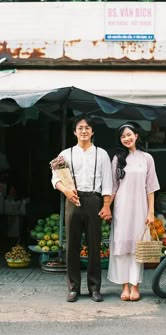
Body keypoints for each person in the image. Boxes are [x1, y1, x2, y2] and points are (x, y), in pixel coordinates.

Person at [51, 115, 112, 303]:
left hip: (94, 200)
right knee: (72, 246)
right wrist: (66, 191)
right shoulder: (65, 154)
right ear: (74, 132)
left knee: (94, 245)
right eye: (80, 128)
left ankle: (94, 288)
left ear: (92, 131)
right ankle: (73, 288)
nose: (84, 131)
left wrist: (107, 205)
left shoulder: (101, 154)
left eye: (87, 128)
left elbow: (108, 182)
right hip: (73, 200)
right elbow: (55, 178)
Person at [107, 122, 160, 301]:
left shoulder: (147, 158)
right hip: (121, 208)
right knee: (122, 246)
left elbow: (151, 188)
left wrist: (151, 212)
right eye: (123, 136)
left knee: (137, 247)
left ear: (136, 135)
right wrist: (106, 206)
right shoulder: (117, 159)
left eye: (129, 134)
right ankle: (124, 286)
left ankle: (135, 286)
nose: (126, 138)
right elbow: (113, 187)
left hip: (140, 207)